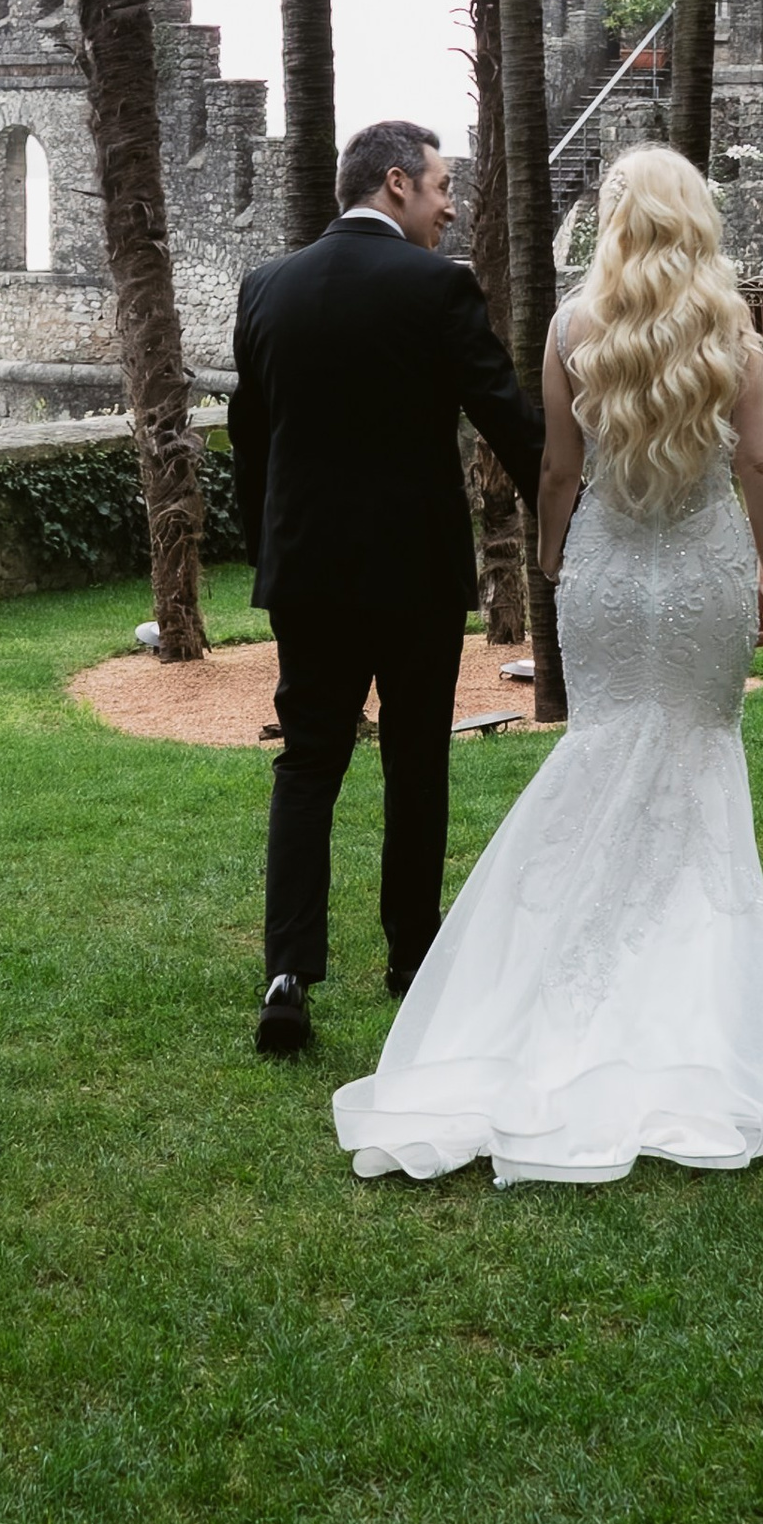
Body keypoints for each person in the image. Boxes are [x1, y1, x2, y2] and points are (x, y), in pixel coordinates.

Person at [332, 145, 763, 1189]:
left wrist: (554, 559)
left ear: (616, 222)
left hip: (607, 571)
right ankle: (693, 983)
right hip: (704, 571)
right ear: (694, 220)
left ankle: (559, 969)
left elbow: (555, 466)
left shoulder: (572, 326)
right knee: (696, 753)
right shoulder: (730, 327)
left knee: (602, 748)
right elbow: (757, 462)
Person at [229, 118, 542, 1060]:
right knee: (415, 761)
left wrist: (269, 549)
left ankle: (287, 975)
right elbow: (506, 419)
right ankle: (413, 959)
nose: (451, 207)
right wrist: (572, 517)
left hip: (307, 574)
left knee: (308, 763)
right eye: (443, 186)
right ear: (398, 182)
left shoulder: (267, 287)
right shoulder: (437, 286)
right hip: (414, 575)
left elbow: (252, 441)